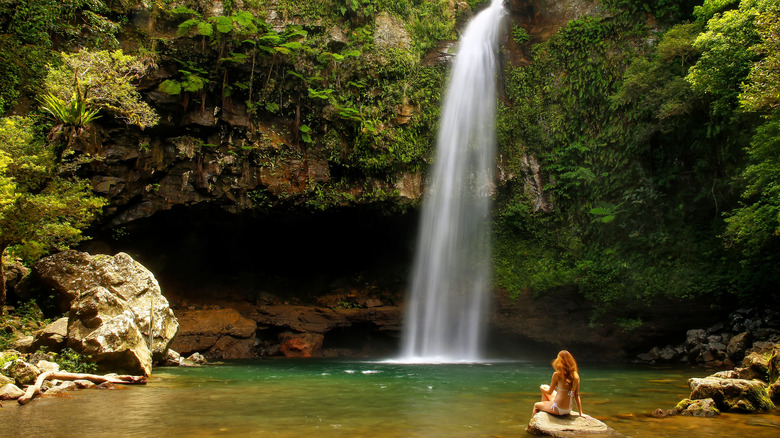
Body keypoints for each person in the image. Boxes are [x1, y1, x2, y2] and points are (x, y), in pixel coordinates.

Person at [532, 350, 585, 417]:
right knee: (545, 386)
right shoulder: (576, 375)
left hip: (558, 409)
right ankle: (546, 409)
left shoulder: (557, 375)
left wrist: (541, 389)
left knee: (536, 405)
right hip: (568, 409)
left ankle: (539, 418)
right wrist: (581, 413)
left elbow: (549, 392)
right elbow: (576, 395)